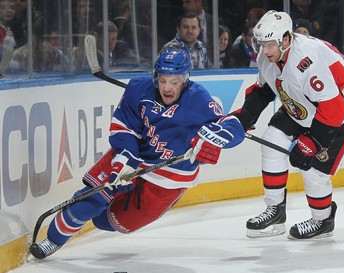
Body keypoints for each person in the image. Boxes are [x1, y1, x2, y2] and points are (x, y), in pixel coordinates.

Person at [29, 47, 244, 259]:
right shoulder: (138, 90)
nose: (167, 88)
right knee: (91, 200)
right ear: (155, 77)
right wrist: (125, 161)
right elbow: (123, 128)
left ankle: (102, 214)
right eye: (162, 80)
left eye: (174, 82)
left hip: (169, 178)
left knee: (105, 222)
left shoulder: (200, 101)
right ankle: (52, 241)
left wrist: (214, 140)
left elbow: (231, 127)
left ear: (185, 80)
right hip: (132, 157)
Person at [232, 10, 344, 240]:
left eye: (270, 45)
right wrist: (243, 118)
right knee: (272, 139)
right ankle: (275, 210)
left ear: (286, 39)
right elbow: (264, 90)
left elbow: (333, 108)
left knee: (313, 168)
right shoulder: (269, 56)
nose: (264, 51)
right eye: (262, 44)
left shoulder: (307, 59)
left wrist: (311, 143)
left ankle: (322, 220)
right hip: (308, 102)